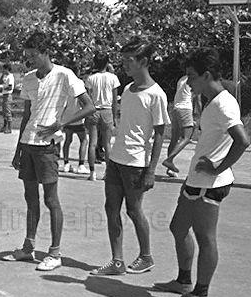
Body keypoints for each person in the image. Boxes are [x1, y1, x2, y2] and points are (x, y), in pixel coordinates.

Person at [156, 48, 250, 297]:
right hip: (196, 180)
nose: (187, 82)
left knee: (205, 237)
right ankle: (184, 281)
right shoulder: (211, 100)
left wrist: (218, 167)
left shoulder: (223, 103)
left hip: (211, 184)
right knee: (178, 227)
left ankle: (200, 294)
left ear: (206, 75)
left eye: (191, 76)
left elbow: (242, 141)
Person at [3, 31, 94, 271]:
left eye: (33, 55)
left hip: (48, 147)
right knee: (30, 198)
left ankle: (55, 253)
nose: (29, 60)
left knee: (51, 199)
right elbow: (26, 115)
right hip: (28, 143)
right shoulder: (29, 78)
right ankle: (28, 247)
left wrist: (61, 123)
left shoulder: (65, 75)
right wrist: (18, 149)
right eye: (27, 56)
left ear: (45, 52)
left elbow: (89, 106)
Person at [91, 37, 169, 276]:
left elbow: (159, 135)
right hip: (117, 159)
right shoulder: (127, 89)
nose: (124, 64)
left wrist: (151, 171)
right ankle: (117, 261)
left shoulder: (157, 95)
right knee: (110, 208)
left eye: (129, 60)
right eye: (123, 59)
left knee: (134, 210)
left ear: (143, 61)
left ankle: (146, 256)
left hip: (136, 163)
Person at [84, 52, 120, 181]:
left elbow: (87, 98)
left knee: (92, 143)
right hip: (107, 110)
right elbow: (115, 100)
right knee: (107, 144)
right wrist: (115, 117)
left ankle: (92, 172)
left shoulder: (90, 78)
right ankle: (108, 172)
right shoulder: (113, 78)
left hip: (94, 110)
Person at [162, 73, 200, 178]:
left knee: (174, 139)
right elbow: (197, 99)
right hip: (185, 108)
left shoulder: (181, 79)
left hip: (176, 108)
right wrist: (201, 115)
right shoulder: (196, 79)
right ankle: (169, 160)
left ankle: (170, 169)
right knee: (187, 137)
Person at [0, 63, 15, 133]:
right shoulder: (5, 76)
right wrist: (2, 75)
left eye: (4, 69)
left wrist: (3, 87)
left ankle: (9, 128)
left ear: (7, 69)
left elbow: (10, 87)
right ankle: (4, 127)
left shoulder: (10, 77)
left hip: (8, 95)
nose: (3, 70)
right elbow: (0, 82)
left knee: (8, 112)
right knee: (4, 112)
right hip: (4, 94)